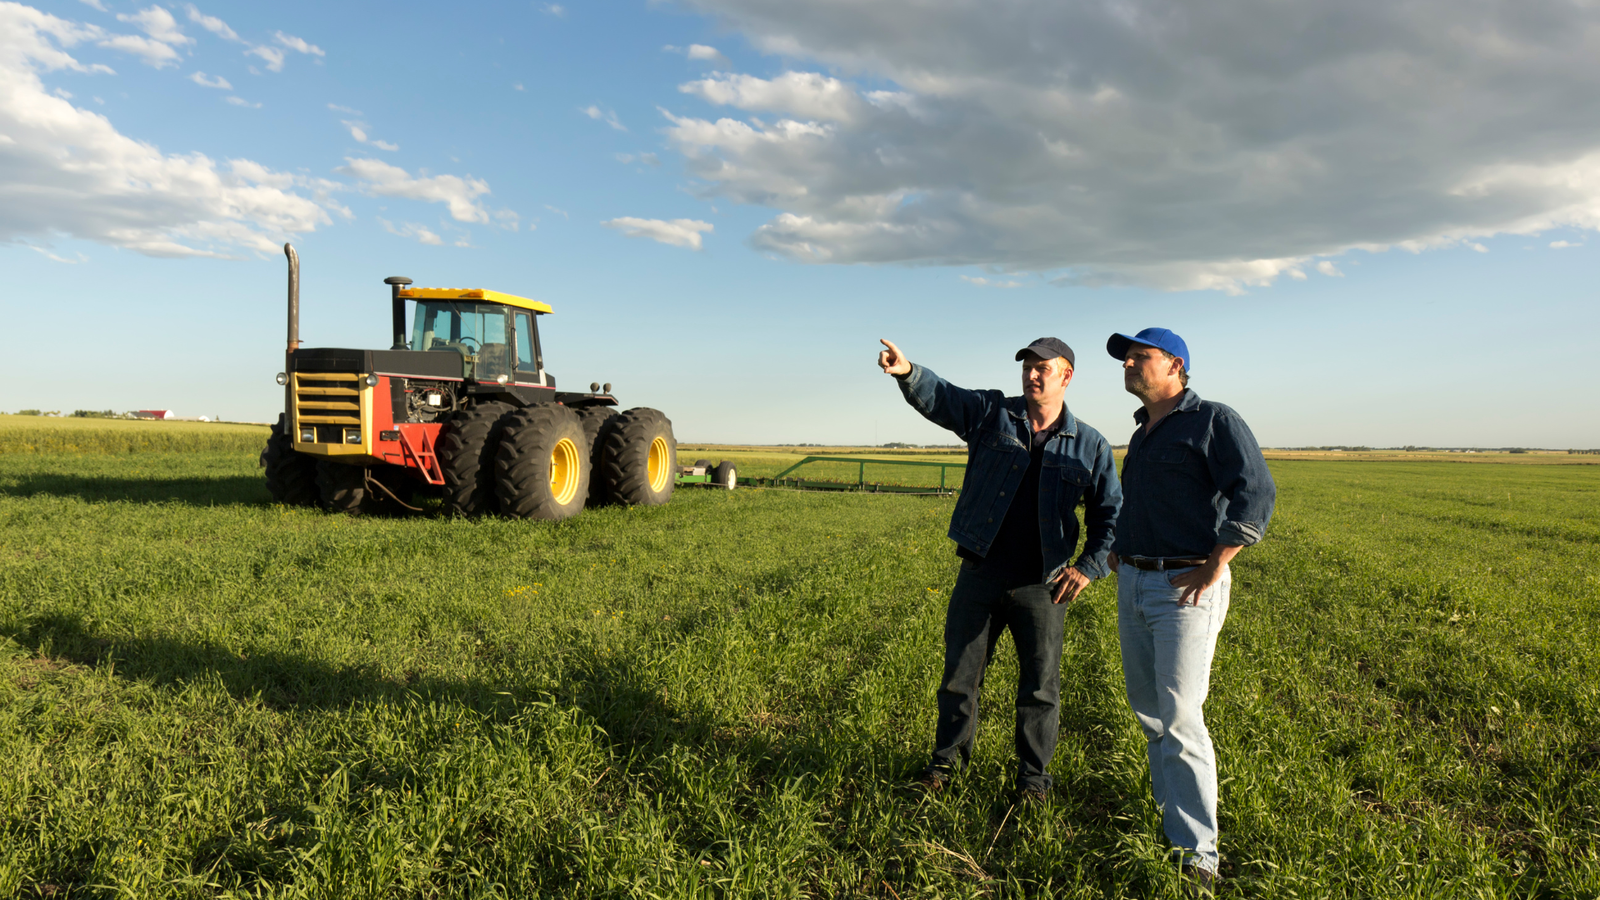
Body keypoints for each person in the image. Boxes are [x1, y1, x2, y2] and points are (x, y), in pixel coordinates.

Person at [878, 336, 1121, 802]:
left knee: (1040, 689)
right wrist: (909, 373)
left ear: (1066, 376)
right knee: (959, 679)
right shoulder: (993, 414)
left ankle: (1033, 781)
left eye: (1042, 368)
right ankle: (945, 767)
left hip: (1044, 586)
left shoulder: (1090, 445)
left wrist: (1088, 568)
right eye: (1027, 367)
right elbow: (946, 399)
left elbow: (1111, 515)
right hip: (981, 573)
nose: (1032, 375)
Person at [1104, 327, 1276, 896]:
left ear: (1175, 364)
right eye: (1126, 358)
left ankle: (1198, 853)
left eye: (1140, 356)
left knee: (1180, 716)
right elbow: (1137, 503)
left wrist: (1216, 563)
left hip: (1184, 587)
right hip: (1135, 580)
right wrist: (1118, 553)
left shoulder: (1212, 419)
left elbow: (1255, 492)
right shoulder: (1143, 432)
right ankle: (1171, 818)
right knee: (1150, 712)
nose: (1129, 364)